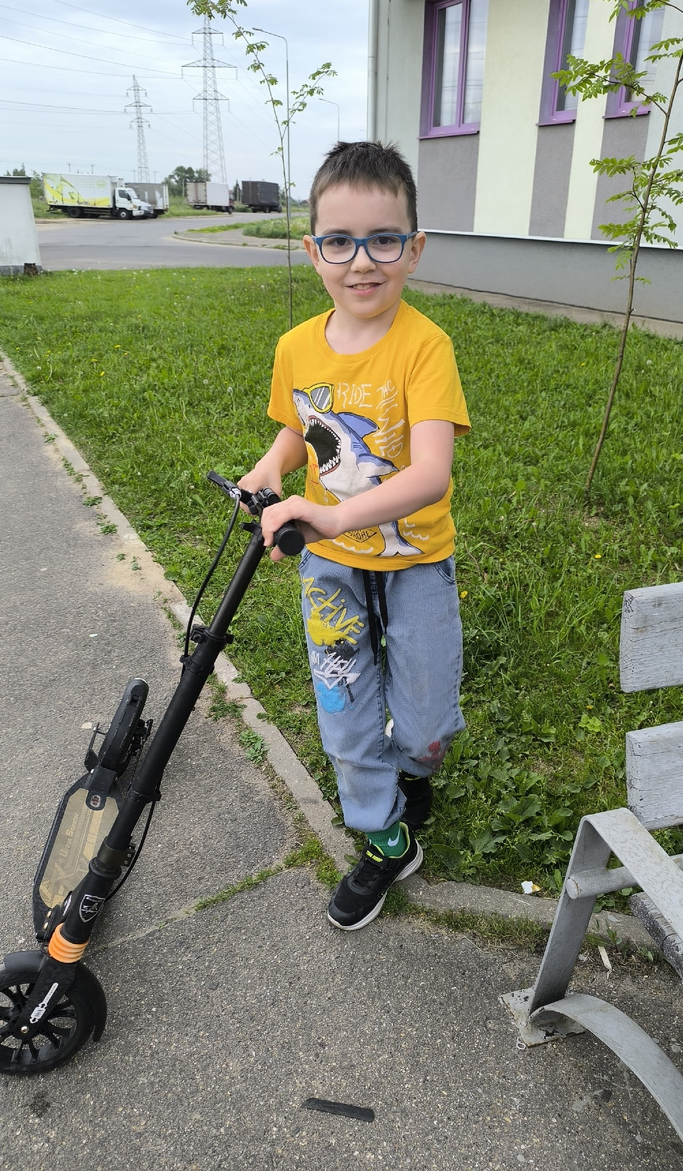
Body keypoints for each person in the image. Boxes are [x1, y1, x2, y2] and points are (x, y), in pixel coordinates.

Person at [238, 140, 470, 930]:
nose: (361, 261)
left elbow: (431, 472)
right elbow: (296, 434)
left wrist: (334, 512)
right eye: (339, 241)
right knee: (345, 710)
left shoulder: (425, 346)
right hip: (330, 567)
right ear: (312, 251)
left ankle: (410, 769)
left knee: (429, 720)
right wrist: (267, 474)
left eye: (383, 240)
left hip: (416, 565)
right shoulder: (296, 347)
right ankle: (382, 836)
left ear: (415, 248)